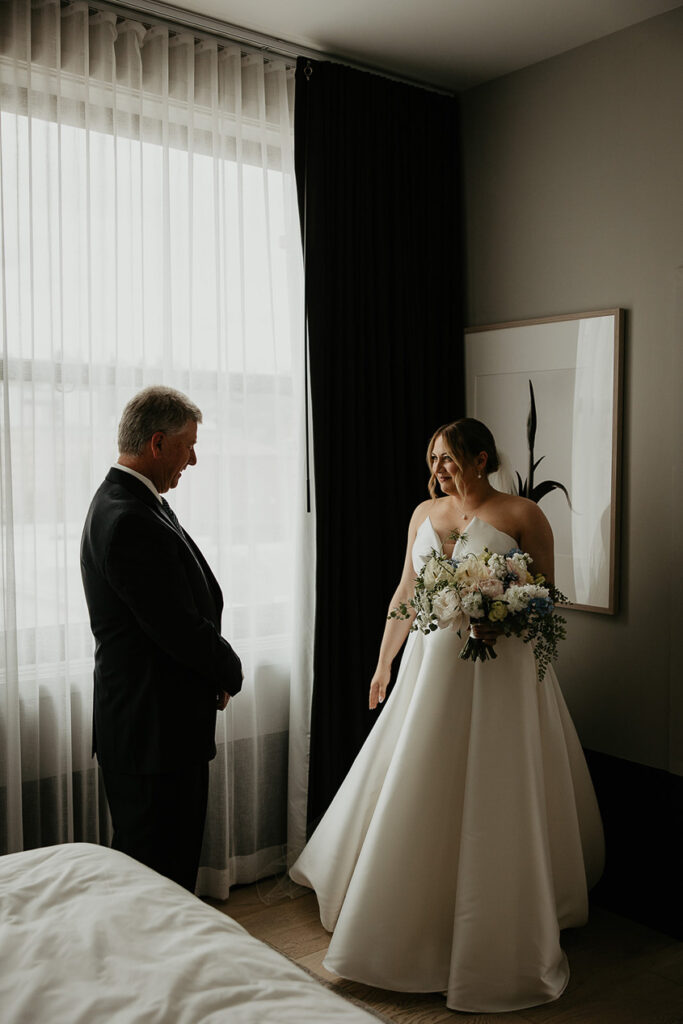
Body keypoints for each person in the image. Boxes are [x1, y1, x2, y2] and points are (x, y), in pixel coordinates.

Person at [290, 418, 604, 1014]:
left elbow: (546, 598)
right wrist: (383, 662)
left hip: (500, 676)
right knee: (419, 776)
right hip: (430, 666)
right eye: (433, 459)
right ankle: (405, 913)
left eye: (449, 459)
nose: (438, 470)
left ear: (481, 458)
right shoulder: (421, 515)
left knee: (496, 786)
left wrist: (505, 616)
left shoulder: (522, 516)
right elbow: (406, 593)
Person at [81, 386, 243, 892]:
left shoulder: (129, 500)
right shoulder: (129, 516)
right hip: (153, 733)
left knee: (154, 872)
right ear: (157, 443)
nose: (192, 459)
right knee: (159, 878)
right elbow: (175, 627)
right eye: (188, 445)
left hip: (155, 725)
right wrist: (227, 670)